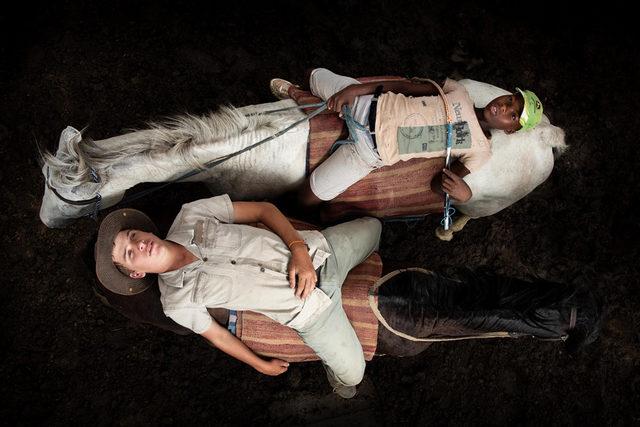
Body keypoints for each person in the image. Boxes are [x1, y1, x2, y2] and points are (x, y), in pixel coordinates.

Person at [94, 195, 381, 398]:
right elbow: (218, 336)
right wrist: (260, 364)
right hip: (310, 312)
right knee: (353, 377)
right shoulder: (175, 302)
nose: (139, 244)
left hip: (319, 253)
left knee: (374, 227)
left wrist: (298, 250)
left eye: (132, 235)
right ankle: (337, 377)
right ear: (136, 274)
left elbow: (263, 211)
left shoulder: (190, 214)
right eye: (130, 254)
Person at [269, 68, 544, 206]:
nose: (505, 107)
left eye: (512, 115)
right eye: (509, 99)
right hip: (368, 104)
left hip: (370, 152)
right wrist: (356, 91)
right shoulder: (459, 92)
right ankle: (296, 90)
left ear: (510, 129)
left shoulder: (481, 150)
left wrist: (464, 193)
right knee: (314, 75)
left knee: (308, 197)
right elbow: (405, 85)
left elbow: (439, 185)